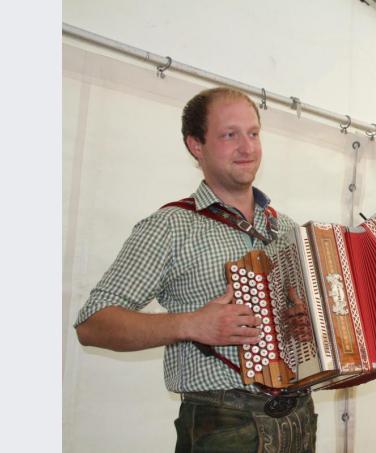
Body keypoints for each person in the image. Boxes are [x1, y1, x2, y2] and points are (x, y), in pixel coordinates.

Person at [74, 87, 316, 452]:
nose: (247, 148)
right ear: (196, 145)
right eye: (229, 135)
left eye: (253, 133)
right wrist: (191, 325)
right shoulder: (170, 226)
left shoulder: (286, 228)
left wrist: (304, 322)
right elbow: (93, 324)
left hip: (300, 418)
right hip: (223, 425)